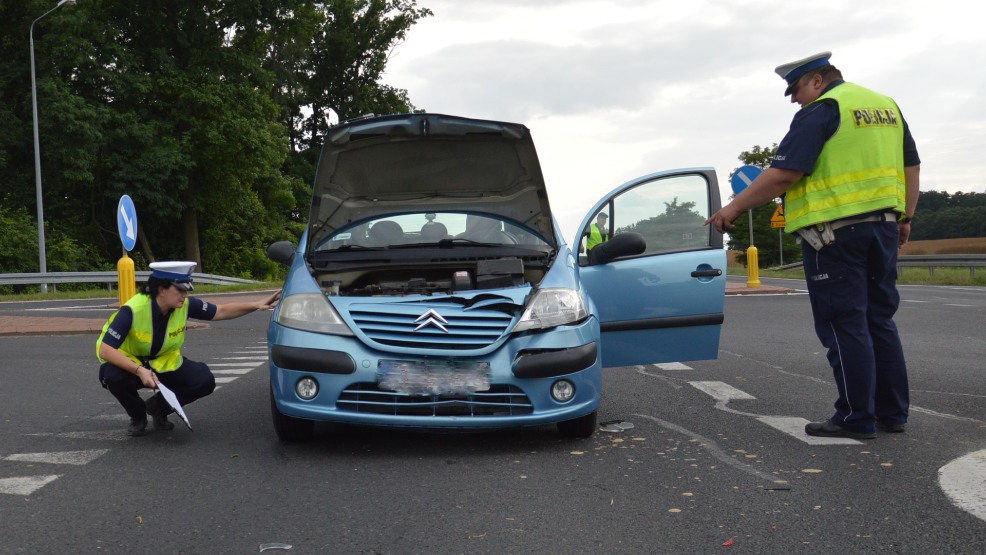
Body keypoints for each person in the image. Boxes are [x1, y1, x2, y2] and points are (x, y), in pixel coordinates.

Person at [706, 51, 920, 440]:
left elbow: (784, 174)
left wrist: (732, 208)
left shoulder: (822, 110)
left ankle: (856, 418)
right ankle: (892, 413)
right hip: (884, 227)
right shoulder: (885, 107)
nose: (793, 99)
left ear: (818, 81)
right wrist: (905, 218)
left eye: (796, 89)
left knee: (845, 323)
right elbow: (911, 168)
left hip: (835, 234)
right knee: (879, 320)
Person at [96, 261, 281, 436]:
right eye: (180, 290)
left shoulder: (183, 304)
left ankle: (158, 408)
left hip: (162, 362)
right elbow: (106, 350)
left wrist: (257, 304)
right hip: (131, 364)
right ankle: (137, 417)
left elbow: (221, 311)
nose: (185, 295)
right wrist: (139, 371)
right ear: (161, 289)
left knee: (204, 380)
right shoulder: (133, 310)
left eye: (186, 290)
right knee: (113, 377)